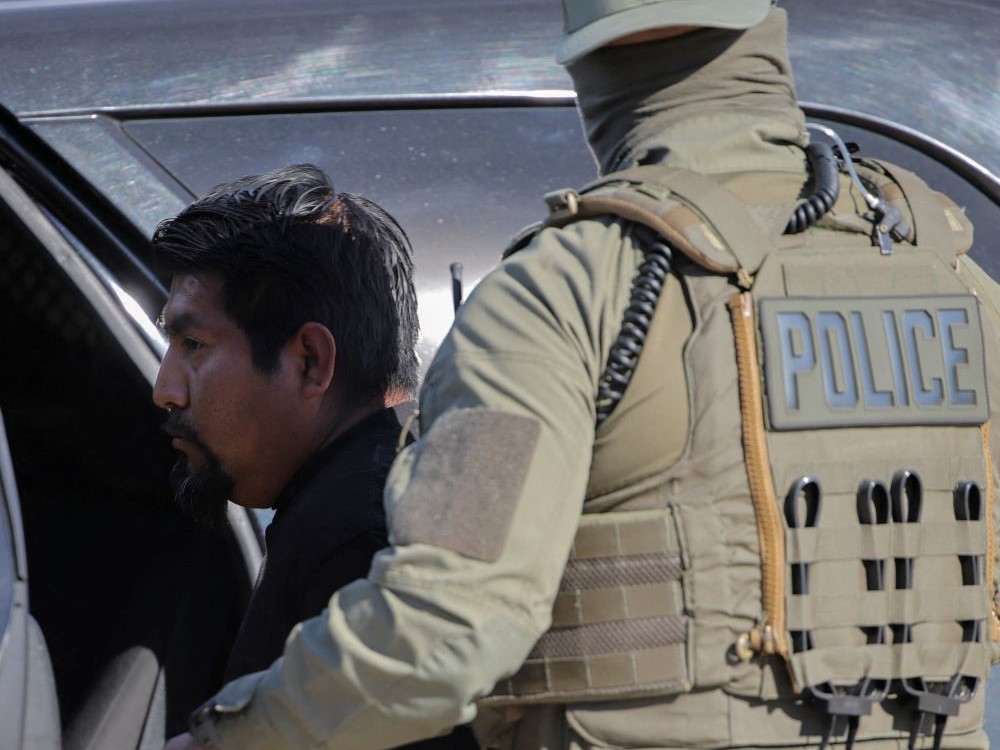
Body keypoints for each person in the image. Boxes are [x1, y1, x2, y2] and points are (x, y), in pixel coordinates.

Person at [172, 4, 1000, 750]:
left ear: (585, 48)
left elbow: (438, 636)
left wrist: (225, 737)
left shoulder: (563, 295)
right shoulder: (958, 282)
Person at [153, 164, 474, 750]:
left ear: (310, 361)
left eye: (193, 345)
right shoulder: (369, 487)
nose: (166, 389)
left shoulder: (362, 535)